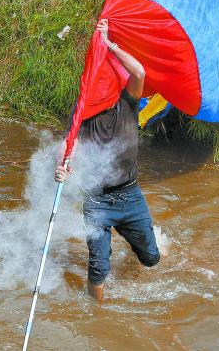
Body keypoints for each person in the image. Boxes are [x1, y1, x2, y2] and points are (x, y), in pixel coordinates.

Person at [55, 19, 160, 302]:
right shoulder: (82, 115)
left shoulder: (127, 103)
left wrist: (109, 44)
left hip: (130, 196)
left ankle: (132, 245)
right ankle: (97, 314)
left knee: (151, 258)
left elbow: (139, 71)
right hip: (97, 201)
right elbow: (68, 146)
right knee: (98, 267)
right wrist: (61, 169)